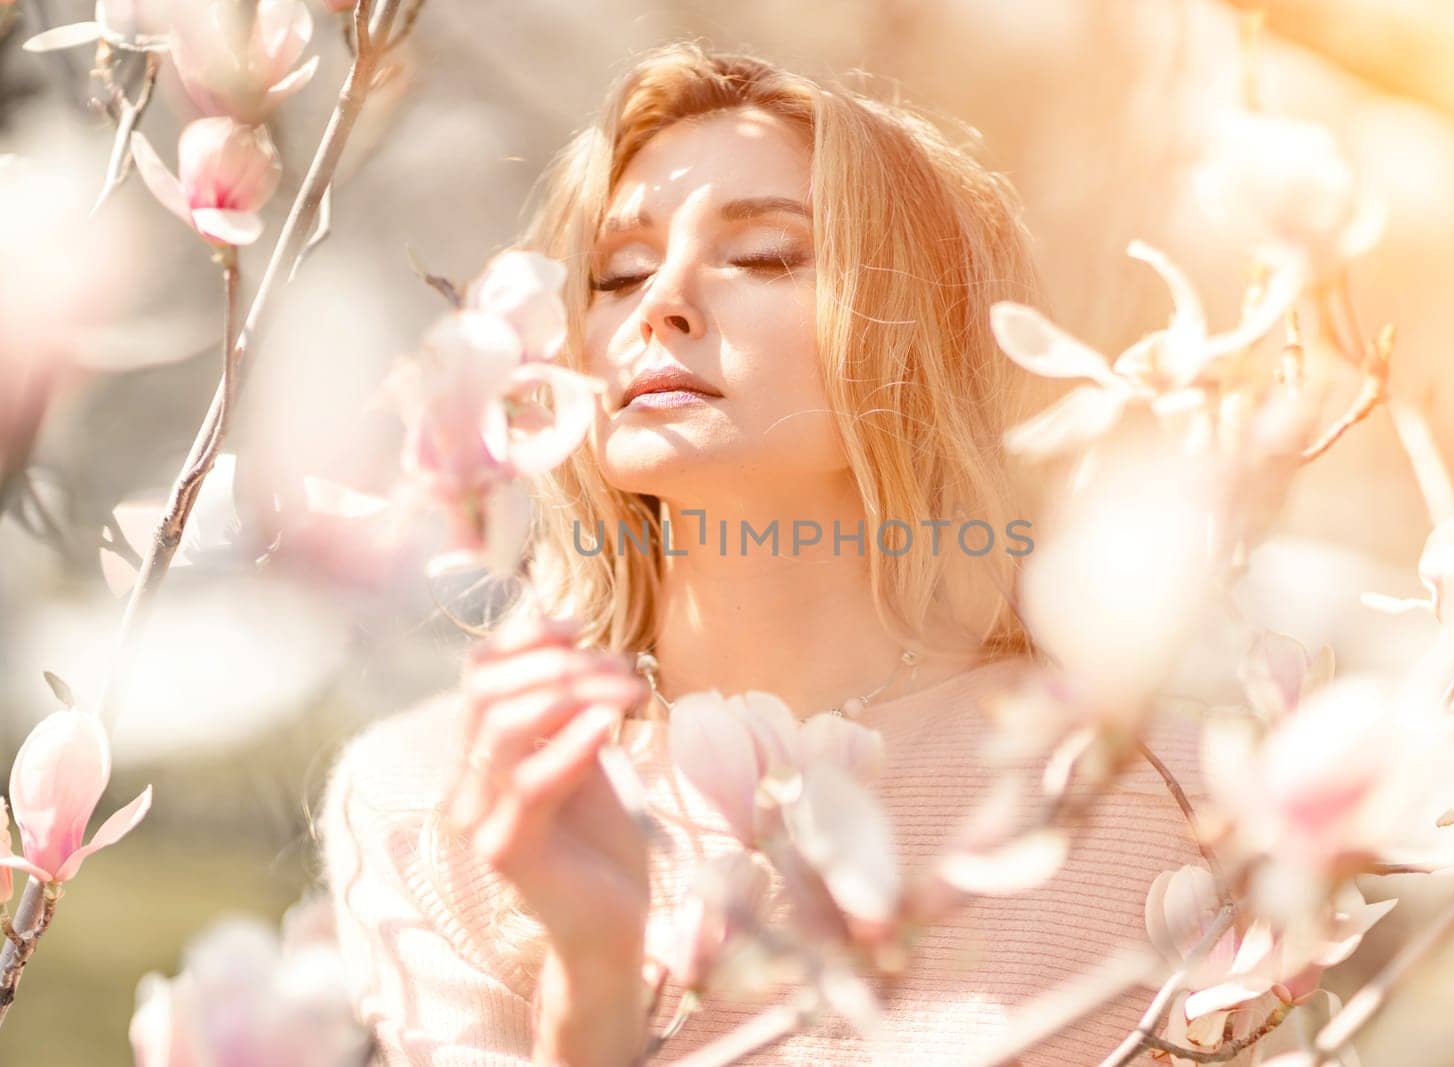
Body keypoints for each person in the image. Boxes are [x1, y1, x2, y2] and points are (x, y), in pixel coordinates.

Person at [318, 39, 1206, 1066]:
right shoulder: (440, 798)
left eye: (767, 256)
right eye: (618, 273)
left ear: (923, 333)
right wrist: (592, 986)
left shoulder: (1162, 799)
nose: (662, 303)